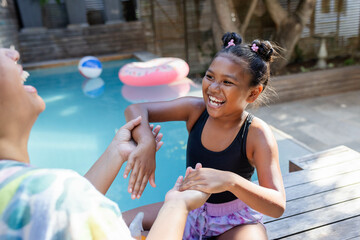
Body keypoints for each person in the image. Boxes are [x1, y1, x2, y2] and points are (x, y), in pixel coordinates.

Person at [0, 47, 209, 240]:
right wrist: (177, 205)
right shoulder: (53, 195)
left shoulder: (38, 193)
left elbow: (69, 208)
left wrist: (116, 152)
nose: (12, 53)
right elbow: (63, 203)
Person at [122, 32, 286, 239]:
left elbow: (278, 205)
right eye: (210, 77)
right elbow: (135, 109)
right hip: (188, 208)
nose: (213, 88)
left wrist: (230, 181)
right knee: (114, 222)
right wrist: (146, 143)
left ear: (253, 93)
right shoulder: (195, 111)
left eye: (227, 82)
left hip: (235, 222)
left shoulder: (256, 134)